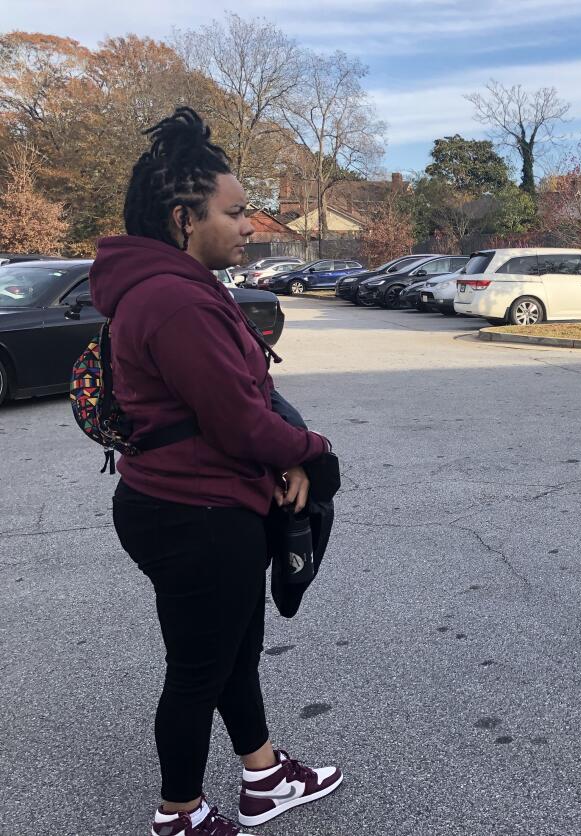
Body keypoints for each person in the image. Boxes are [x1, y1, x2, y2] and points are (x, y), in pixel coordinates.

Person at [92, 107, 343, 835]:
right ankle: (179, 815)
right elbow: (238, 420)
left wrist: (280, 462)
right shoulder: (174, 300)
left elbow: (228, 410)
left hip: (194, 503)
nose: (247, 227)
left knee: (233, 649)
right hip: (195, 516)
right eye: (234, 213)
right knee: (199, 669)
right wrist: (313, 453)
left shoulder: (177, 286)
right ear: (182, 218)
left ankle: (263, 777)